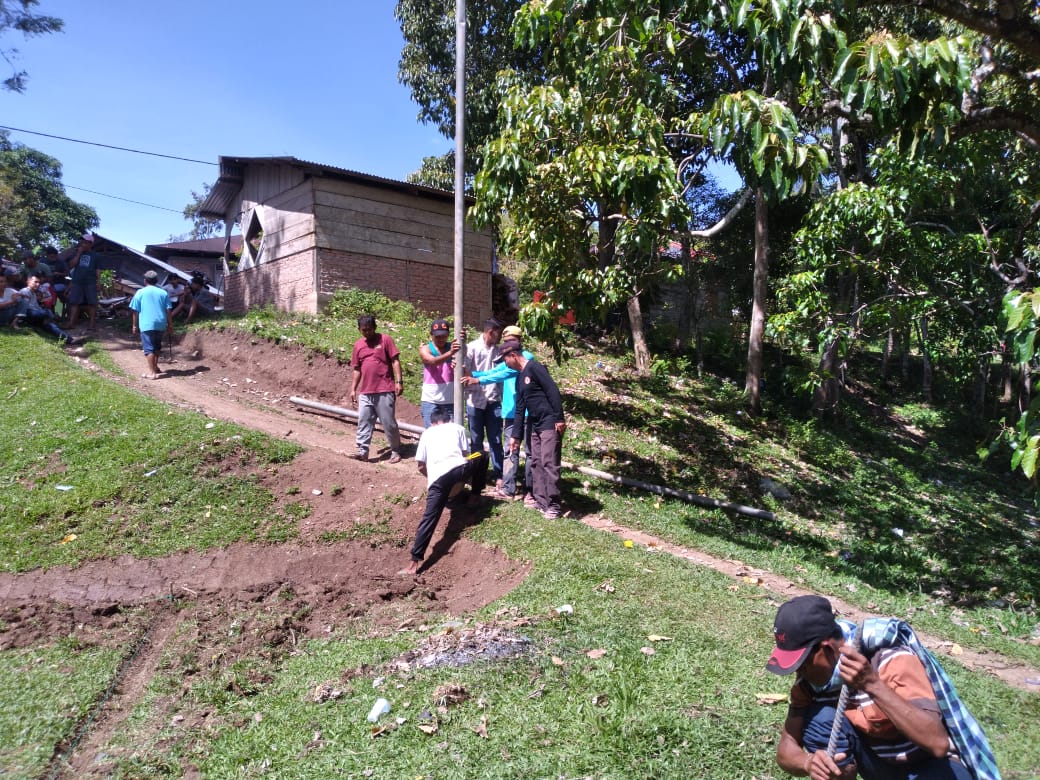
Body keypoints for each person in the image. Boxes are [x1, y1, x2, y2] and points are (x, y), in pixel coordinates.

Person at [768, 595, 999, 780]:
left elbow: (937, 744)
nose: (799, 673)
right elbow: (786, 749)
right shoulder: (810, 684)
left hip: (933, 767)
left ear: (827, 649)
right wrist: (808, 763)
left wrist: (872, 684)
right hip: (882, 768)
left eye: (803, 663)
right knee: (820, 719)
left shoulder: (890, 660)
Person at [400, 408, 488, 576]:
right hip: (460, 468)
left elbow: (420, 466)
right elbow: (464, 455)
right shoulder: (458, 428)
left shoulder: (427, 433)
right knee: (482, 455)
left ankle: (414, 563)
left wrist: (435, 481)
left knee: (429, 518)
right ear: (449, 420)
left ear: (432, 423)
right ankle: (475, 496)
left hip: (438, 481)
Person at [463, 326, 533, 499]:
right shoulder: (507, 360)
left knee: (530, 452)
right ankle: (508, 488)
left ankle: (530, 491)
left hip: (526, 412)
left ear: (519, 341)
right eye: (506, 341)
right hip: (510, 411)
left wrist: (477, 380)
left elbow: (502, 375)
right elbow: (494, 371)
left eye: (512, 340)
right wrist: (468, 373)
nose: (509, 344)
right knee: (510, 450)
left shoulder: (526, 358)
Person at [503, 341, 566, 519]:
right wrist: (515, 436)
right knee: (536, 462)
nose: (505, 364)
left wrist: (559, 418)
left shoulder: (535, 368)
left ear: (513, 356)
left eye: (505, 360)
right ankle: (541, 500)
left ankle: (554, 504)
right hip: (534, 423)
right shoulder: (519, 378)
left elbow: (553, 391)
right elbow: (519, 408)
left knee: (549, 462)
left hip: (549, 422)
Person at [349, 313, 403, 463]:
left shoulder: (385, 340)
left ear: (375, 327)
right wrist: (353, 389)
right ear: (359, 329)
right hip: (366, 391)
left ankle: (396, 450)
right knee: (364, 421)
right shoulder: (358, 345)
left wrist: (399, 382)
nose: (367, 332)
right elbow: (357, 369)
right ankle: (362, 451)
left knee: (388, 423)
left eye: (369, 329)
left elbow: (395, 361)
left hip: (384, 389)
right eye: (364, 330)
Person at [463, 317, 504, 484]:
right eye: (498, 334)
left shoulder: (499, 351)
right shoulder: (472, 348)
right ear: (491, 332)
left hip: (493, 401)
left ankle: (499, 475)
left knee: (496, 440)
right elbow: (465, 371)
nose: (499, 337)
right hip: (475, 401)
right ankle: (477, 474)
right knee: (476, 441)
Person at [129, 269, 174, 380]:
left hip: (146, 324)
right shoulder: (163, 292)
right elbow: (168, 310)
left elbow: (135, 310)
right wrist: (170, 325)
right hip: (161, 323)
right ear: (156, 281)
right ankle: (155, 367)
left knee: (149, 349)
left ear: (145, 280)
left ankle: (152, 373)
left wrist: (134, 325)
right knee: (156, 346)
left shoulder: (140, 292)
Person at [13, 275, 81, 344]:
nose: (38, 284)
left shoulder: (33, 293)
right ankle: (54, 319)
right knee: (46, 312)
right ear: (28, 282)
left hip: (34, 315)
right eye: (35, 282)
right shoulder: (25, 291)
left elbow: (37, 306)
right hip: (27, 313)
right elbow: (22, 306)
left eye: (39, 282)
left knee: (50, 325)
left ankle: (70, 340)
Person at [419, 318, 460, 427]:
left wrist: (462, 339)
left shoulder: (454, 349)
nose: (441, 339)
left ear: (448, 335)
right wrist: (450, 353)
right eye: (437, 336)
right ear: (431, 335)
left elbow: (465, 359)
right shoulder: (425, 349)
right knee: (431, 432)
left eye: (444, 336)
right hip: (430, 400)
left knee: (450, 433)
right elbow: (432, 361)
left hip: (450, 400)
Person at [66, 232, 100, 330]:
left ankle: (92, 324)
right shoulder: (76, 253)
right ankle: (71, 323)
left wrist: (98, 282)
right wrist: (79, 253)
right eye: (82, 242)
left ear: (90, 244)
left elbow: (98, 270)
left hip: (90, 282)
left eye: (85, 242)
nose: (82, 244)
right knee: (74, 302)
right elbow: (72, 265)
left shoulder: (96, 256)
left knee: (92, 303)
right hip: (77, 281)